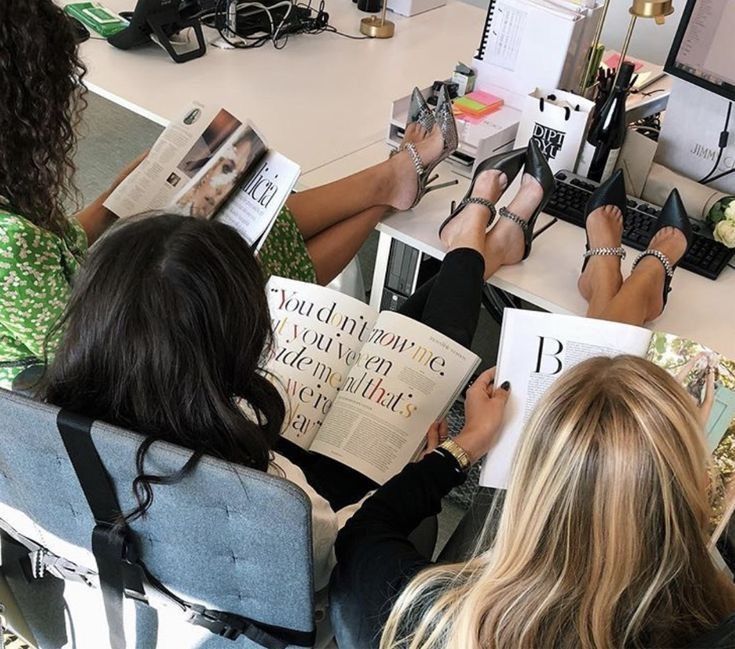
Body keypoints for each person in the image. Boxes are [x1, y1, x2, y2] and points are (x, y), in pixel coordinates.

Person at [330, 174, 735, 649]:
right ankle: (635, 282)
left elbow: (364, 534)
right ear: (688, 492)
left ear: (534, 481)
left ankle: (622, 280)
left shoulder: (422, 615)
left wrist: (465, 446)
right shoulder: (711, 626)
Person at [0, 0, 455, 387]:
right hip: (127, 368)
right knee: (230, 259)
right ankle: (387, 191)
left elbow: (60, 246)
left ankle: (389, 184)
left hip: (103, 320)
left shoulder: (13, 220)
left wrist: (117, 194)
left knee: (241, 215)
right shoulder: (12, 244)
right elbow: (92, 346)